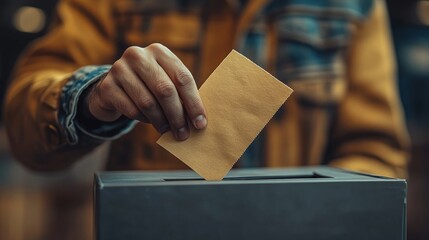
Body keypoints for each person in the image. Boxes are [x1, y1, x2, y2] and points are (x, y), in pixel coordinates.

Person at [4, 0, 409, 178]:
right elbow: (25, 120)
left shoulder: (353, 3)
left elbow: (376, 151)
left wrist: (308, 213)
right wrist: (90, 97)